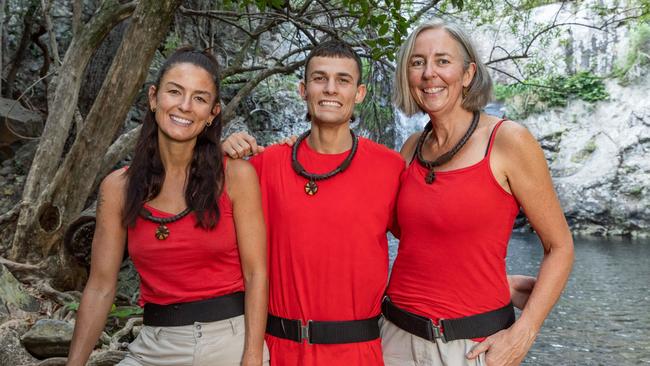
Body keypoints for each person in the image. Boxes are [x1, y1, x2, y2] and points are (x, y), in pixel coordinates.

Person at [222, 40, 536, 365]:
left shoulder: (390, 167)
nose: (330, 89)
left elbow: (430, 234)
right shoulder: (262, 166)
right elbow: (197, 218)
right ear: (303, 89)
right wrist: (220, 149)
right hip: (280, 349)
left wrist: (490, 286)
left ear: (359, 93)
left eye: (343, 80)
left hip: (361, 352)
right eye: (319, 79)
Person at [381, 18, 574, 366]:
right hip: (394, 337)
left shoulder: (508, 140)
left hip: (470, 347)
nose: (428, 73)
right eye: (417, 62)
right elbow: (405, 231)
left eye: (443, 61)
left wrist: (524, 331)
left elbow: (559, 247)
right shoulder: (411, 147)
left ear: (468, 73)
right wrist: (299, 151)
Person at [66, 47, 269, 366]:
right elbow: (101, 287)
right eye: (175, 91)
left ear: (212, 113)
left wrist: (253, 357)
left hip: (228, 341)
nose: (185, 106)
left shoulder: (236, 176)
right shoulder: (118, 188)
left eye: (200, 98)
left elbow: (257, 273)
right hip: (154, 343)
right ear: (153, 97)